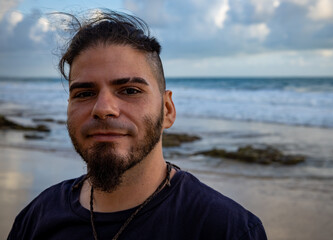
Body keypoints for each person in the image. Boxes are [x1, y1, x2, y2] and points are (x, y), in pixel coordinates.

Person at [8, 10, 267, 240]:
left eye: (130, 90)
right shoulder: (38, 217)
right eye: (84, 94)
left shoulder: (227, 229)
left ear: (167, 110)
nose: (103, 109)